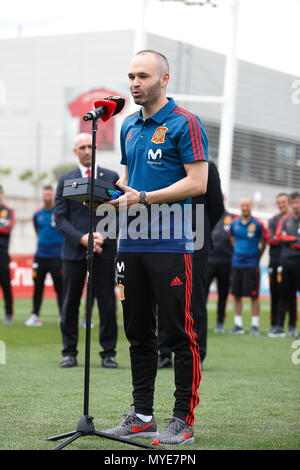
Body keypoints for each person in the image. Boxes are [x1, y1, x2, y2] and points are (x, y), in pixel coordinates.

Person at [102, 50, 208, 446]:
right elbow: (129, 181)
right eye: (130, 75)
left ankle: (182, 420)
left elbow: (197, 183)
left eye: (143, 75)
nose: (134, 83)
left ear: (164, 79)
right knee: (137, 332)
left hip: (173, 242)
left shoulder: (186, 123)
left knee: (181, 334)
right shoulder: (128, 125)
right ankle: (141, 415)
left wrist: (144, 198)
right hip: (130, 242)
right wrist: (107, 202)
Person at [55, 133, 119, 368]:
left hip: (104, 249)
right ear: (75, 151)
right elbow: (60, 217)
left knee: (106, 303)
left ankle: (109, 353)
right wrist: (81, 238)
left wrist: (102, 234)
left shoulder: (110, 178)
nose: (86, 150)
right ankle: (69, 352)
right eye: (82, 147)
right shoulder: (66, 180)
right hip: (74, 251)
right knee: (70, 302)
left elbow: (119, 210)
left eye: (90, 146)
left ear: (96, 148)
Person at [157, 161, 224, 369]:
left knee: (195, 298)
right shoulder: (166, 163)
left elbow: (217, 206)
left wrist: (200, 227)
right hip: (166, 235)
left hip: (197, 238)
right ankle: (165, 352)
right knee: (164, 296)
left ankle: (197, 353)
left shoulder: (207, 167)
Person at [25, 186, 64, 326]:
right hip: (40, 256)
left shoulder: (59, 212)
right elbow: (37, 230)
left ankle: (63, 316)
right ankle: (35, 315)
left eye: (49, 195)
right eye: (45, 195)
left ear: (52, 196)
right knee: (38, 287)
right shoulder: (37, 214)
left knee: (60, 288)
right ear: (42, 197)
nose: (47, 197)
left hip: (57, 257)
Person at [229, 197, 268, 335]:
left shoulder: (258, 224)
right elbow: (232, 238)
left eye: (247, 205)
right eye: (243, 205)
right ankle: (238, 325)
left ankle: (254, 326)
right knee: (236, 295)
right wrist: (238, 251)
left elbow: (264, 241)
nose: (245, 208)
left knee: (254, 296)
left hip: (252, 264)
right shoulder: (234, 224)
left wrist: (257, 255)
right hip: (237, 263)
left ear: (251, 206)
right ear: (240, 207)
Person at [269, 191, 300, 337]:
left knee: (293, 296)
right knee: (282, 295)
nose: (295, 205)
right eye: (293, 202)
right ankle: (279, 326)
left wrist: (291, 241)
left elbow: (284, 239)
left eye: (297, 202)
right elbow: (277, 237)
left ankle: (293, 326)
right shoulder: (283, 220)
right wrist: (293, 240)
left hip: (297, 262)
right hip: (284, 261)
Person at [205, 202, 234, 333]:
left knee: (223, 294)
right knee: (202, 294)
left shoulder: (232, 218)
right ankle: (201, 322)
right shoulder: (208, 214)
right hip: (209, 261)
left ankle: (220, 322)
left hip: (226, 262)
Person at [0, 185, 15, 325]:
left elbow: (6, 228)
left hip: (2, 253)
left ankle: (8, 313)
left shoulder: (8, 211)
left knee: (5, 285)